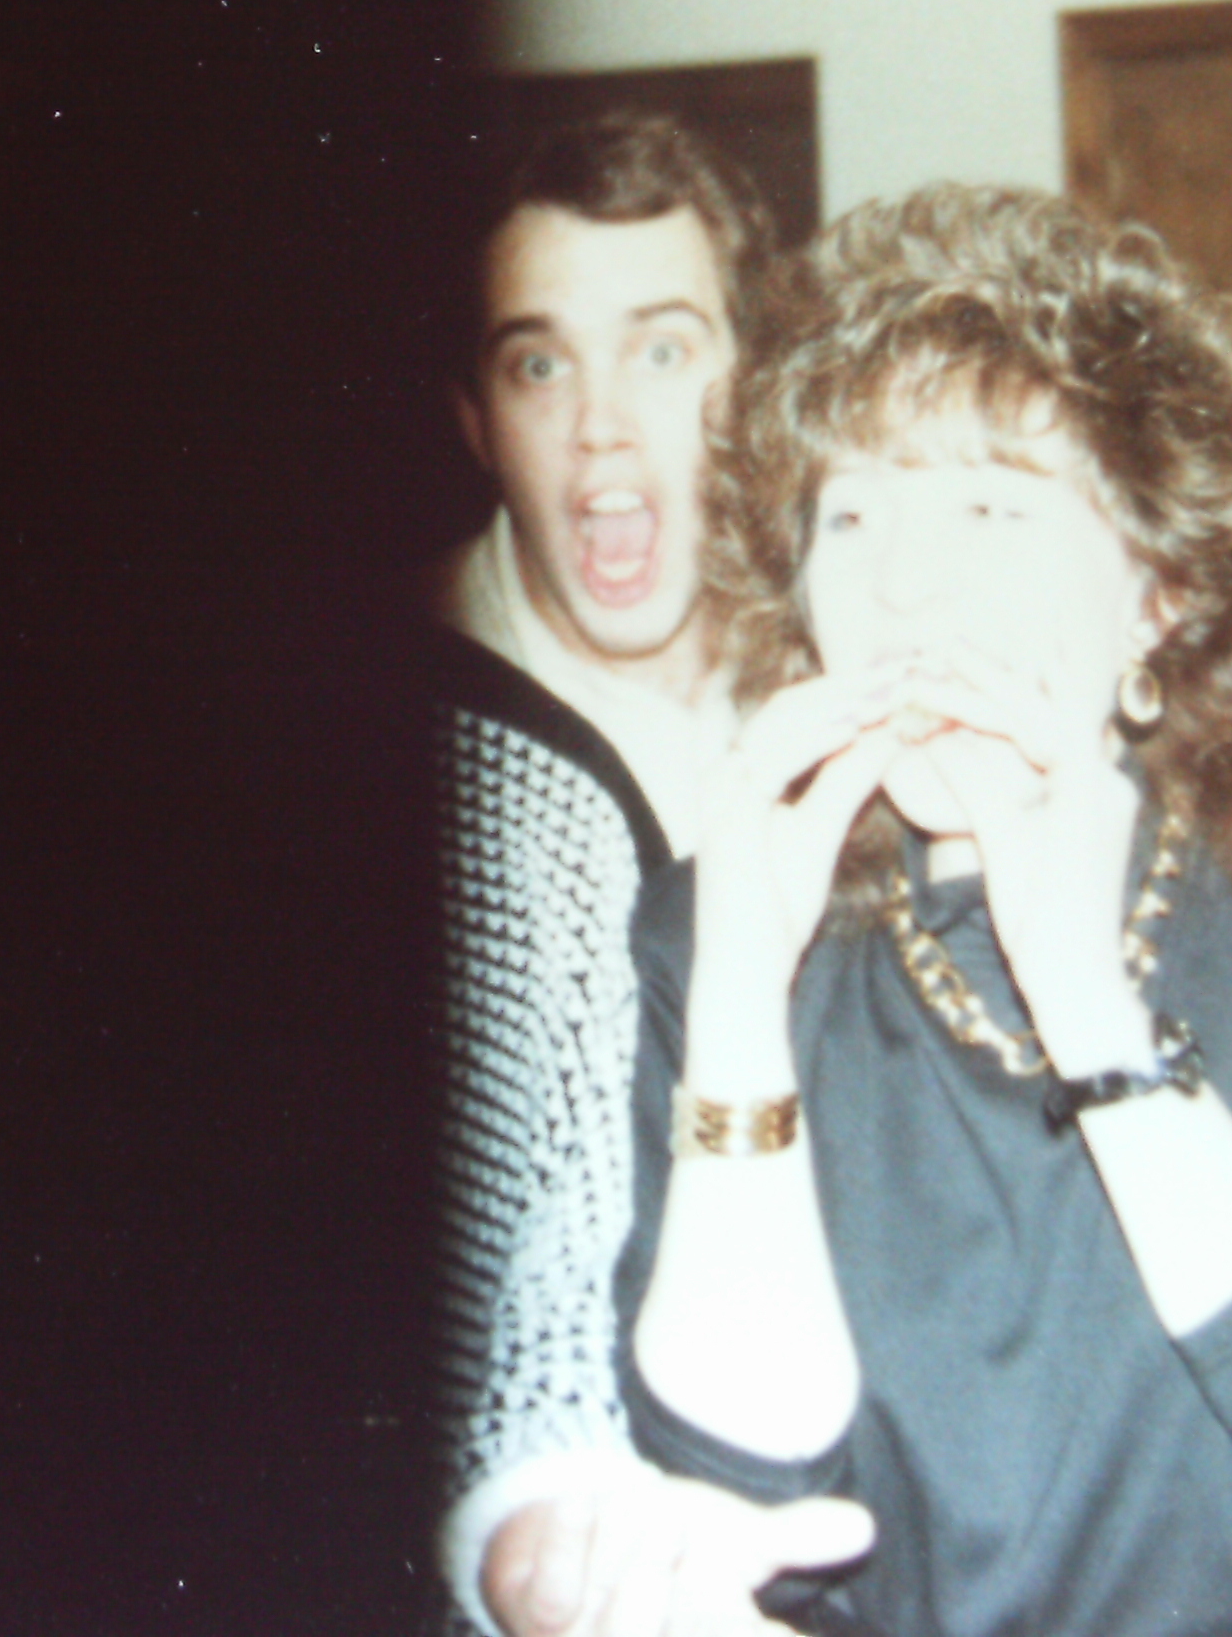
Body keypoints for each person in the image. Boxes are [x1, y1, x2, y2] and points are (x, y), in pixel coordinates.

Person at [609, 184, 1232, 1637]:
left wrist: (1093, 1016)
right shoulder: (724, 931)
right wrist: (741, 993)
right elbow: (746, 1510)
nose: (902, 585)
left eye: (991, 507)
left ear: (1158, 595)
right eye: (850, 515)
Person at [434, 111, 873, 1635]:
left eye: (665, 350)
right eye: (540, 364)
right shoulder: (411, 766)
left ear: (754, 385)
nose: (603, 430)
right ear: (476, 418)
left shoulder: (845, 678)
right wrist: (536, 1533)